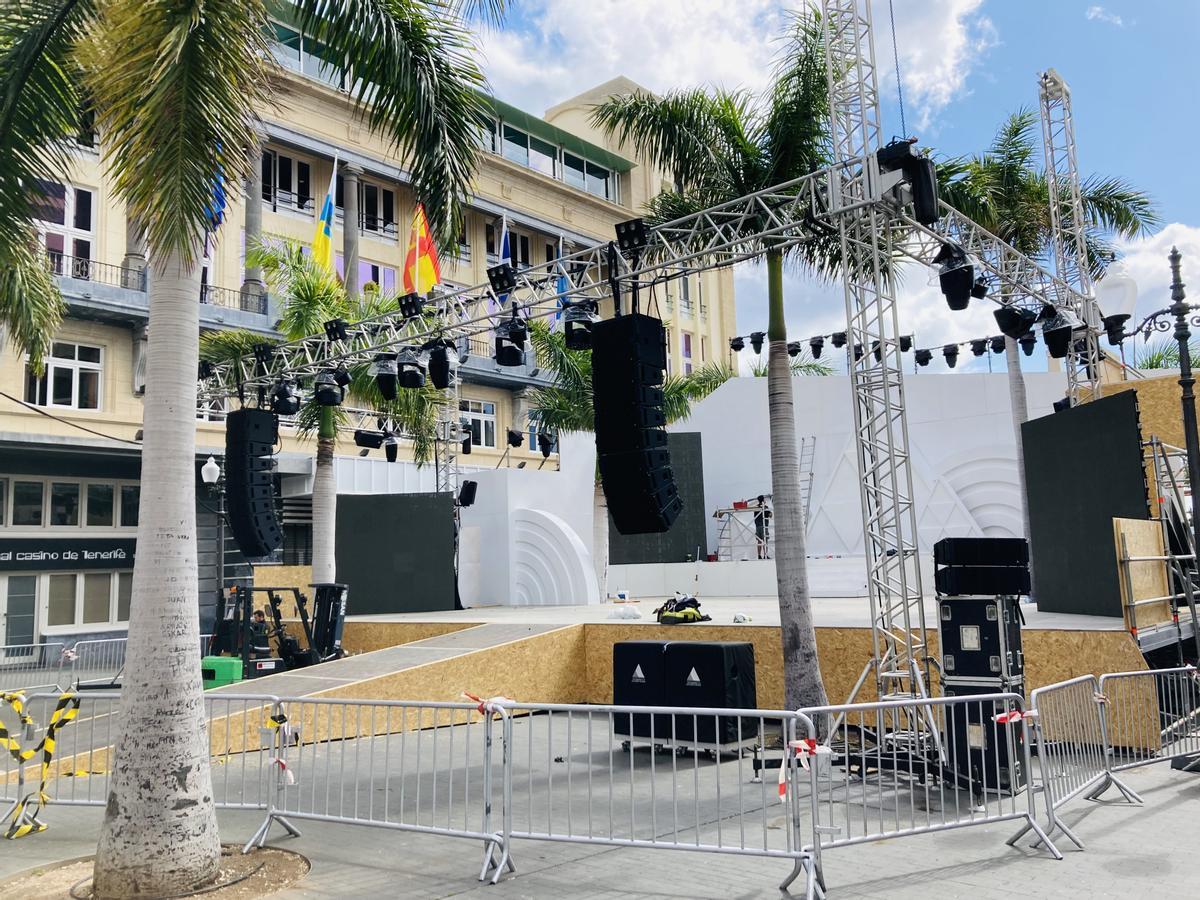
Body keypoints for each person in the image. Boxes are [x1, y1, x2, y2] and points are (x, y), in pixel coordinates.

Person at [754, 495, 771, 559]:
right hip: (764, 526)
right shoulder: (765, 507)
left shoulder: (756, 508)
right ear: (763, 500)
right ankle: (765, 555)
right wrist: (770, 513)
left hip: (758, 527)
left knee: (759, 541)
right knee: (765, 541)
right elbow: (769, 515)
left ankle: (759, 555)